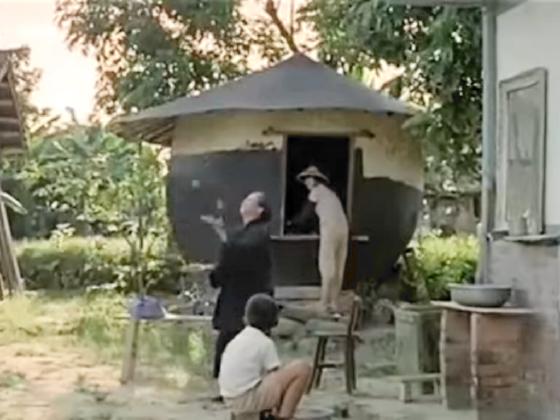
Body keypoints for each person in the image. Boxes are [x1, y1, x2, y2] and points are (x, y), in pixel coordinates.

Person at [203, 192, 274, 395]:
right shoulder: (242, 232)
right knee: (228, 342)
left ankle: (242, 388)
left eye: (250, 201)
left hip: (249, 297)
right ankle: (228, 387)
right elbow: (231, 252)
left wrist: (225, 241)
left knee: (241, 343)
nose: (244, 202)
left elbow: (239, 252)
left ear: (260, 210)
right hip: (236, 294)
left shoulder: (260, 232)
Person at [219, 294, 311, 419]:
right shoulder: (265, 342)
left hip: (230, 398)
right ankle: (284, 416)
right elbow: (274, 374)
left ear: (246, 318)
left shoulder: (237, 340)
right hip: (247, 398)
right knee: (302, 369)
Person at [290, 166, 349, 314]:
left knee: (327, 266)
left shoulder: (316, 192)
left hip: (330, 228)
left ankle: (323, 303)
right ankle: (334, 302)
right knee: (339, 266)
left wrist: (292, 224)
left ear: (313, 180)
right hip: (343, 228)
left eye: (307, 179)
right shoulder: (331, 194)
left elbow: (306, 215)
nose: (306, 183)